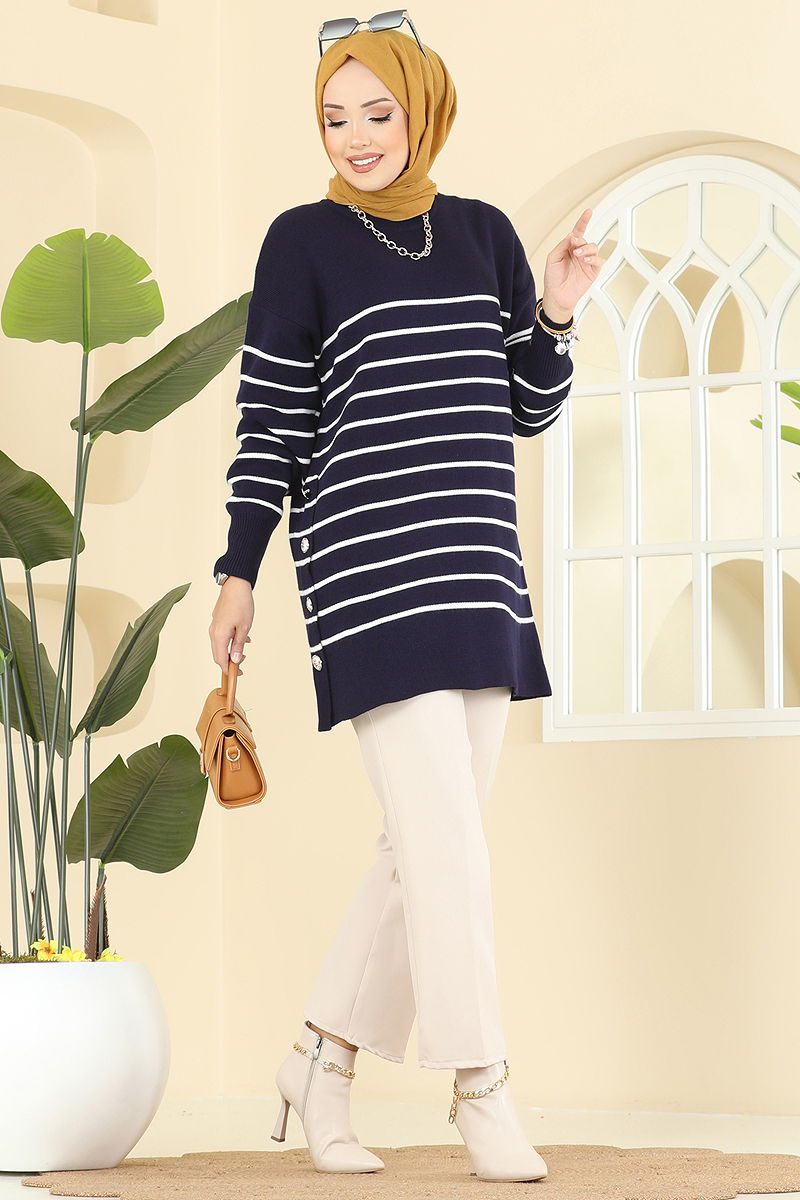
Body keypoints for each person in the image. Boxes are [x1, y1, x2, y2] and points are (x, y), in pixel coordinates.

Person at [208, 15, 601, 1184]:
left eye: (377, 113)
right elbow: (270, 421)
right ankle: (480, 1088)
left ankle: (317, 1064)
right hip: (369, 574)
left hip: (477, 568)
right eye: (335, 117)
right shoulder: (302, 243)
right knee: (443, 844)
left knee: (430, 842)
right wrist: (238, 568)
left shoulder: (481, 235)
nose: (356, 136)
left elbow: (526, 407)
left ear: (422, 109)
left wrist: (557, 312)